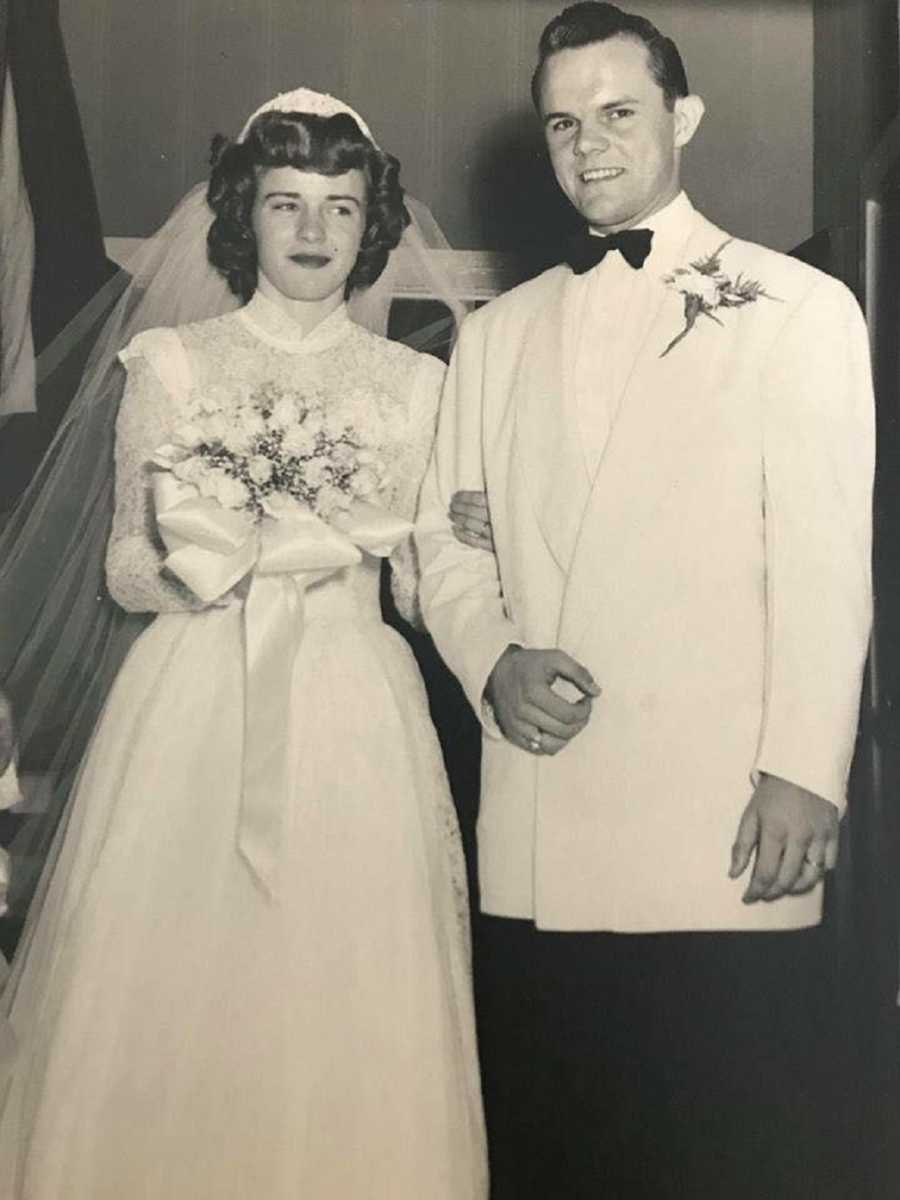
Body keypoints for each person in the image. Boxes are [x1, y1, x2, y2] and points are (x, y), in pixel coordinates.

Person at [417, 4, 874, 1198]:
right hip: (544, 807)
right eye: (563, 123)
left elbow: (828, 558)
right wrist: (491, 659)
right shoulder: (492, 336)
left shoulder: (797, 307)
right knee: (560, 1142)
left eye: (618, 114)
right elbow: (441, 544)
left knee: (719, 1146)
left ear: (684, 118)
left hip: (719, 811)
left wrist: (805, 770)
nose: (590, 146)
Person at [0, 89, 487, 1199]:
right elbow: (126, 560)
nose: (314, 232)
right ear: (243, 218)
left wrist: (464, 538)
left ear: (373, 227)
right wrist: (224, 557)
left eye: (340, 208)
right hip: (194, 697)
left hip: (357, 701)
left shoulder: (419, 384)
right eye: (286, 204)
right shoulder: (169, 364)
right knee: (178, 985)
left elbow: (414, 585)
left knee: (343, 981)